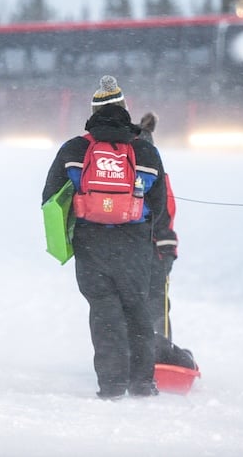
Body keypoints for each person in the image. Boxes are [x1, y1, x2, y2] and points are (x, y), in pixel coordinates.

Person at [42, 75, 169, 399]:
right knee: (137, 310)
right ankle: (142, 383)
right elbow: (160, 205)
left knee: (104, 312)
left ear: (93, 111)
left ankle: (111, 385)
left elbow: (49, 198)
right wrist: (156, 241)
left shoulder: (74, 149)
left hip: (91, 242)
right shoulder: (144, 152)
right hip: (134, 243)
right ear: (125, 109)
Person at [137, 111, 196, 370]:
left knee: (135, 301)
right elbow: (167, 213)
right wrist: (167, 248)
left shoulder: (128, 167)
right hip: (153, 249)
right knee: (157, 301)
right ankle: (158, 352)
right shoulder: (155, 170)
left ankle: (133, 349)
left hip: (127, 248)